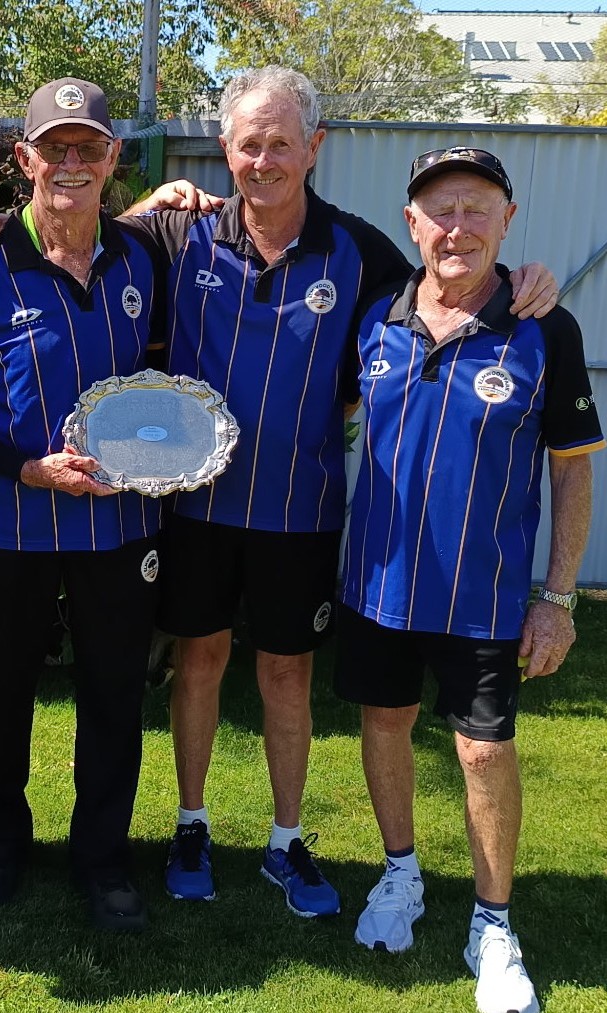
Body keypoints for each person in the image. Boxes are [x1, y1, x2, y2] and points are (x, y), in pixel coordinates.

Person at [118, 68, 560, 917]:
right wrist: (141, 202)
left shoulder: (359, 251)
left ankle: (285, 840)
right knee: (199, 662)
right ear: (225, 149)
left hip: (301, 512)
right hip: (195, 509)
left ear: (313, 147)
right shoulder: (182, 232)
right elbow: (79, 237)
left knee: (287, 674)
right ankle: (191, 824)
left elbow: (449, 282)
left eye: (281, 142)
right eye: (249, 143)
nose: (264, 160)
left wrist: (523, 280)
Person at [336, 147, 603, 1013]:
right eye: (440, 210)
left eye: (477, 207)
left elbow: (570, 468)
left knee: (482, 751)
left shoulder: (543, 328)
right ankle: (400, 873)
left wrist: (556, 598)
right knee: (383, 722)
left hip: (481, 597)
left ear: (507, 220)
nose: (457, 227)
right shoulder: (374, 315)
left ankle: (492, 922)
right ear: (411, 224)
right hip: (376, 586)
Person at [0, 77, 164, 930]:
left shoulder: (144, 259)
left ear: (112, 158)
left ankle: (104, 858)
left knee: (113, 693)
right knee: (7, 692)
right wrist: (26, 469)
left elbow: (162, 386)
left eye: (87, 147)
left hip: (121, 523)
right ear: (24, 159)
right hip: (12, 522)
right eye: (53, 148)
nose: (70, 163)